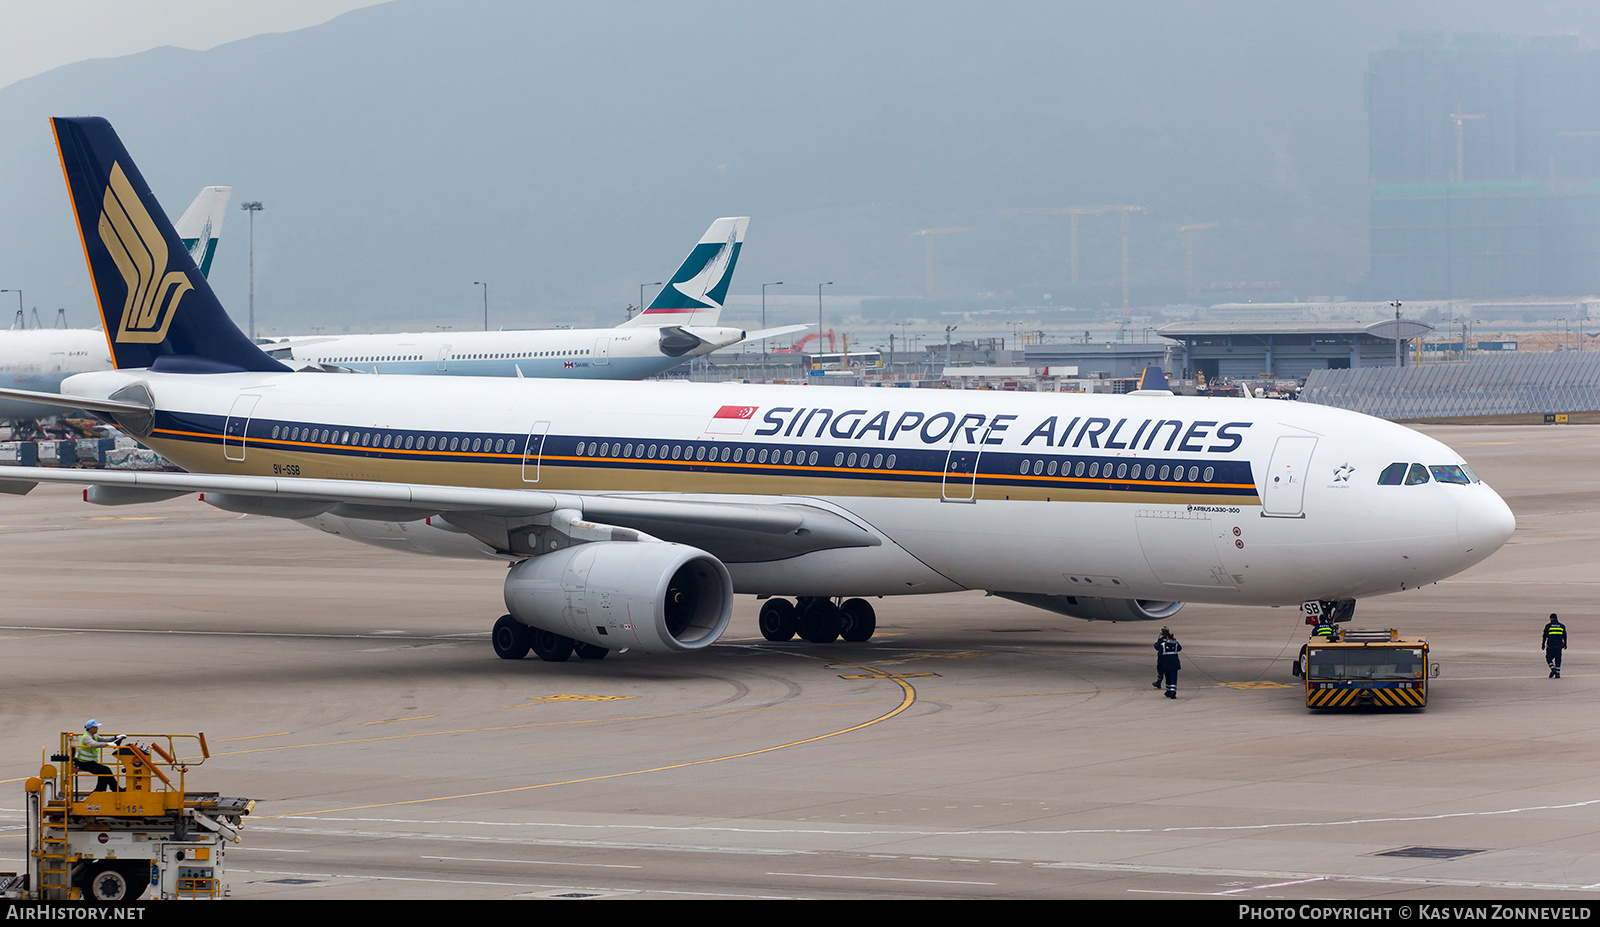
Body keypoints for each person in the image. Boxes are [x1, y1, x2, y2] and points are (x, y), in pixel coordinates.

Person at [73, 720, 125, 793]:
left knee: (103, 771)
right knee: (105, 770)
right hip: (84, 763)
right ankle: (116, 790)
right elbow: (94, 744)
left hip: (90, 762)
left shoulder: (94, 736)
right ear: (90, 728)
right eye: (95, 727)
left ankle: (99, 790)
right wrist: (109, 744)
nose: (97, 728)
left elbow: (103, 739)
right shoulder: (86, 737)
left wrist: (116, 737)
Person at [1154, 627, 1182, 699]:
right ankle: (1172, 692)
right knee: (1173, 678)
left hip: (1165, 663)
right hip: (1174, 664)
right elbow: (1180, 648)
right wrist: (1175, 641)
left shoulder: (1163, 643)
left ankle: (1168, 690)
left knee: (1168, 677)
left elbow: (1157, 647)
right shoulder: (1175, 644)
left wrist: (1157, 642)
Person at [1543, 614, 1568, 679]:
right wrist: (1565, 644)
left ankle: (1553, 668)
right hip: (1559, 646)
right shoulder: (1562, 626)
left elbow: (1545, 636)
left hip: (1551, 645)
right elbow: (1564, 636)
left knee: (1548, 658)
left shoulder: (1548, 626)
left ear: (1551, 618)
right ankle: (1557, 673)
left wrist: (1543, 644)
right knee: (1558, 659)